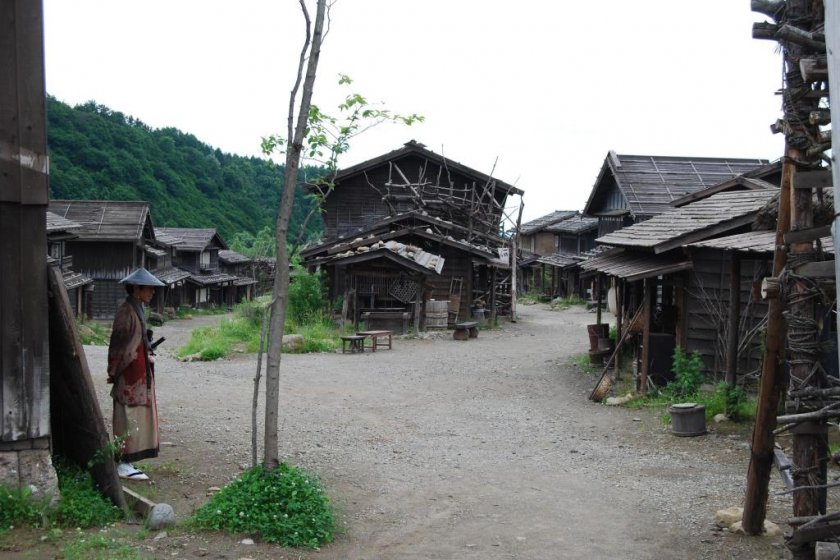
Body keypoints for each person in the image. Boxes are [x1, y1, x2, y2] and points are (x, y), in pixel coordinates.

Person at [107, 267, 165, 481]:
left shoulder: (136, 309)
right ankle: (123, 462)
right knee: (127, 417)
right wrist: (114, 371)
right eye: (149, 289)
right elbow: (118, 346)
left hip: (138, 372)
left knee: (136, 416)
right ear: (136, 289)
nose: (152, 293)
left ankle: (128, 460)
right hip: (129, 375)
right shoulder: (126, 312)